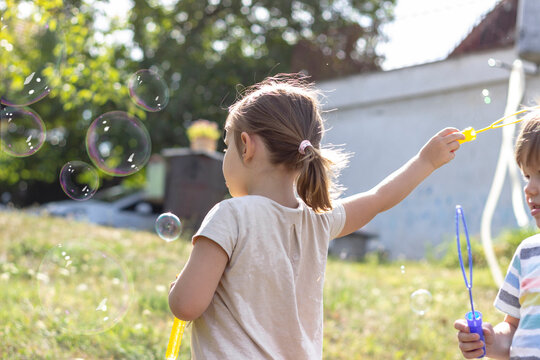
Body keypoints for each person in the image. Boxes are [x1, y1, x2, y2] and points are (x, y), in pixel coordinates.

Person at [168, 73, 464, 359]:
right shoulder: (318, 220)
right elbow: (377, 200)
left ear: (246, 146)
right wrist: (425, 161)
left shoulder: (230, 215)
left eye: (226, 146)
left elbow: (187, 305)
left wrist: (179, 289)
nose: (226, 155)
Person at [454, 113, 540, 359]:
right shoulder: (527, 254)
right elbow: (512, 328)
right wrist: (490, 341)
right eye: (527, 176)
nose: (529, 188)